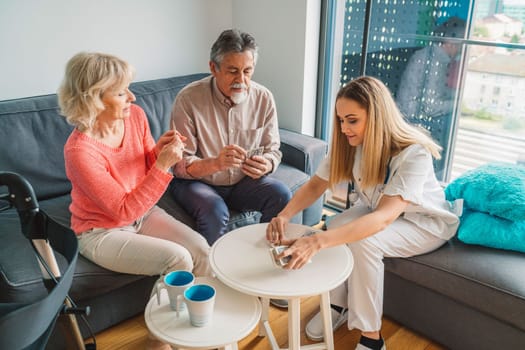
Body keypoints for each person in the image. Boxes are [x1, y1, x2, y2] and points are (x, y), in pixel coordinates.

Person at [266, 76, 460, 350]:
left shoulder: (414, 154)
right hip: (377, 210)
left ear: (378, 116)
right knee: (334, 227)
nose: (344, 128)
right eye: (341, 120)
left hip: (423, 224)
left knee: (364, 242)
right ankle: (337, 304)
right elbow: (315, 185)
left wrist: (316, 240)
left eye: (352, 120)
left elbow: (383, 219)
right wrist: (284, 215)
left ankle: (372, 337)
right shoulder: (352, 145)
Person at [58, 52, 212, 350]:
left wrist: (158, 152)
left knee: (202, 251)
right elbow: (124, 208)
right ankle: (160, 340)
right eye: (120, 92)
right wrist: (163, 165)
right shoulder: (79, 152)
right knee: (178, 259)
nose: (132, 96)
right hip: (102, 231)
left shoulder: (135, 116)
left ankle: (193, 329)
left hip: (142, 215)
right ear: (93, 99)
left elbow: (142, 167)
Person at [169, 29, 292, 245]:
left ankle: (265, 255)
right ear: (213, 68)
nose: (241, 80)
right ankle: (211, 273)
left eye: (247, 71)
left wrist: (267, 164)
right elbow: (178, 165)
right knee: (214, 210)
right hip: (197, 182)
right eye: (233, 71)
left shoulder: (263, 98)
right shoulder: (188, 99)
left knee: (281, 193)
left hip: (241, 183)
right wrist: (215, 163)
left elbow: (273, 149)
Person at [396, 17, 466, 119]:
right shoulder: (433, 62)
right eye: (461, 45)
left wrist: (459, 95)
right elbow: (431, 108)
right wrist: (460, 104)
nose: (461, 50)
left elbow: (436, 91)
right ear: (450, 42)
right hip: (412, 121)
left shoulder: (433, 56)